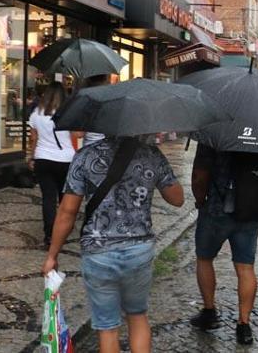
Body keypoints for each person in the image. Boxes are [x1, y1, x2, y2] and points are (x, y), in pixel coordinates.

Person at [41, 136, 184, 353]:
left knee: (107, 327)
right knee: (137, 317)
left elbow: (67, 212)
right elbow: (178, 199)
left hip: (99, 252)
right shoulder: (152, 154)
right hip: (138, 250)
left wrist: (53, 255)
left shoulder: (85, 156)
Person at [189, 144, 258, 345]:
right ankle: (244, 325)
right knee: (246, 267)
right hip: (250, 211)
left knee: (204, 258)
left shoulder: (211, 137)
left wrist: (200, 200)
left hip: (216, 211)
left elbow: (199, 177)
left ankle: (209, 311)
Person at [27, 82, 75, 247]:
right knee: (64, 198)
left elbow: (33, 139)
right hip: (65, 161)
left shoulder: (36, 114)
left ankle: (49, 235)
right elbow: (79, 134)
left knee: (48, 198)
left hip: (43, 159)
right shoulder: (68, 113)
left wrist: (31, 158)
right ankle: (62, 231)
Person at [80, 74, 110, 147]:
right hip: (106, 148)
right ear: (106, 79)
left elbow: (79, 134)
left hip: (88, 148)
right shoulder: (110, 99)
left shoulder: (85, 101)